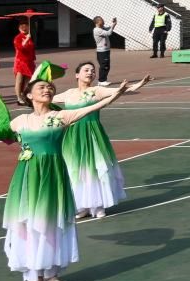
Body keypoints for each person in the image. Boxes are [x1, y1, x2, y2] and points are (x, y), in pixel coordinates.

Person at [0, 77, 130, 281]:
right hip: (27, 175)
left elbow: (94, 106)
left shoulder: (61, 116)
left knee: (51, 220)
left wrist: (117, 93)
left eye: (50, 87)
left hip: (53, 174)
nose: (47, 90)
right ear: (29, 95)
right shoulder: (20, 121)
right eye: (41, 87)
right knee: (29, 222)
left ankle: (52, 275)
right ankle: (34, 277)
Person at [56, 63, 153, 219]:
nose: (90, 72)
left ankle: (98, 205)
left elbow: (121, 90)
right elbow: (45, 99)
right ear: (77, 75)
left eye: (93, 71)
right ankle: (83, 206)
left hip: (92, 134)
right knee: (76, 170)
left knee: (96, 168)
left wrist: (140, 84)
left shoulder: (97, 90)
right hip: (72, 136)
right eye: (86, 70)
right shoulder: (69, 93)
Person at [12, 19, 36, 105]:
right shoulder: (17, 38)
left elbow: (31, 50)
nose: (24, 28)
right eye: (22, 27)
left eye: (26, 26)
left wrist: (33, 59)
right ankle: (19, 98)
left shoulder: (29, 36)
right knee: (19, 80)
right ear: (19, 28)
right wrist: (26, 39)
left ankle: (25, 96)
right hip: (20, 62)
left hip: (29, 62)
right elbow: (20, 48)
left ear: (28, 27)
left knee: (28, 80)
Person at [92, 17, 117, 85]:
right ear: (97, 22)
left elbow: (108, 28)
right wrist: (113, 26)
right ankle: (101, 81)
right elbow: (108, 33)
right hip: (102, 51)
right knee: (104, 66)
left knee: (106, 66)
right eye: (101, 20)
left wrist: (114, 23)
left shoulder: (101, 28)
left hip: (106, 50)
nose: (103, 21)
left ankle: (103, 80)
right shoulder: (97, 30)